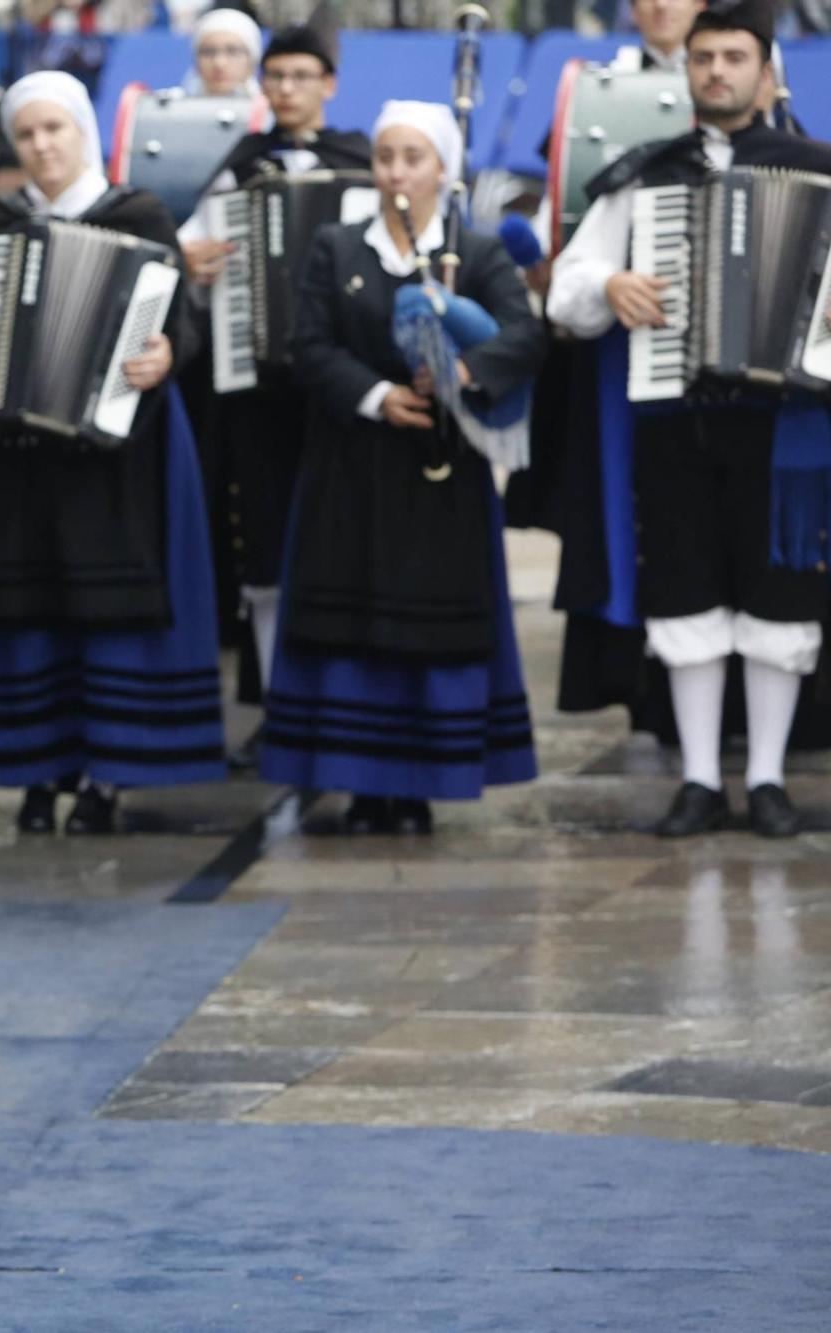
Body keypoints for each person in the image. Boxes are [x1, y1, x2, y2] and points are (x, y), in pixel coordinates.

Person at [547, 0, 831, 838]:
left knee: (779, 598)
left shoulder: (820, 170)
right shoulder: (647, 177)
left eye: (734, 57)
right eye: (704, 58)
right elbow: (568, 286)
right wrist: (608, 287)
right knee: (684, 589)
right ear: (686, 69)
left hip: (787, 422)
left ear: (767, 72)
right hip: (675, 416)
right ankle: (702, 779)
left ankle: (770, 779)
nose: (716, 71)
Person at [0, 70, 224, 835]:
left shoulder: (139, 212)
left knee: (105, 608)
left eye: (54, 129)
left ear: (82, 131)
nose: (41, 145)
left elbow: (180, 317)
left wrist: (165, 355)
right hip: (15, 451)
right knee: (25, 605)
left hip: (114, 450)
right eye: (27, 134)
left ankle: (106, 773)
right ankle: (34, 769)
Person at [258, 101, 546, 834]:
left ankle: (419, 782)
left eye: (412, 157)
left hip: (438, 477)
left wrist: (462, 374)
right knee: (351, 625)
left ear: (442, 168)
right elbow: (309, 345)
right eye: (386, 155)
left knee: (428, 628)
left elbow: (525, 336)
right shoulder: (336, 246)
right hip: (350, 471)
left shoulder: (474, 254)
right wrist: (379, 394)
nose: (395, 171)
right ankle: (359, 785)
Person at [177, 1, 368, 734]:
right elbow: (196, 253)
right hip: (258, 383)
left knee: (339, 536)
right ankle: (281, 706)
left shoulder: (359, 161)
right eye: (276, 77)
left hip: (339, 387)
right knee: (262, 540)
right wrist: (194, 260)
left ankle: (342, 696)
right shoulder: (242, 166)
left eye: (302, 76)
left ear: (329, 84)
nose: (287, 89)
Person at [181, 5, 262, 98]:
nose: (219, 63)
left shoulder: (271, 111)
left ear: (252, 59)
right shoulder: (173, 108)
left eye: (232, 51)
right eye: (208, 52)